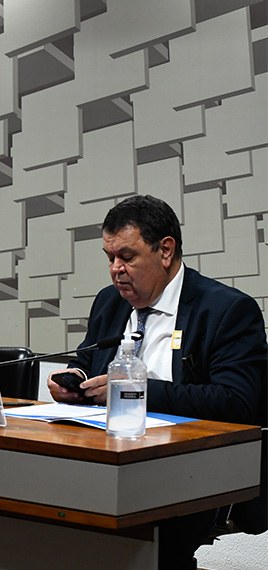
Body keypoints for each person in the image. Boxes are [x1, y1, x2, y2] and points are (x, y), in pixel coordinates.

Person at [46, 194, 267, 569]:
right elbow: (87, 360)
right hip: (109, 460)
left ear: (165, 251)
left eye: (127, 257)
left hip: (190, 469)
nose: (115, 269)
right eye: (109, 257)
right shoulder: (109, 302)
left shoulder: (227, 310)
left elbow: (237, 403)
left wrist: (137, 393)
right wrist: (74, 380)